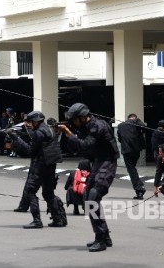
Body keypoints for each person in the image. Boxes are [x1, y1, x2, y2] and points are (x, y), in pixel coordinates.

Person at [57, 103, 120, 252]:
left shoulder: (97, 126)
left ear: (82, 117)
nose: (72, 123)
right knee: (88, 196)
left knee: (93, 196)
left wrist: (69, 133)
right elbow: (75, 149)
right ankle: (104, 236)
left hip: (108, 162)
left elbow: (85, 145)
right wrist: (68, 133)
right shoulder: (84, 126)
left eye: (74, 120)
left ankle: (101, 239)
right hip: (98, 162)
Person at [7, 111, 67, 229]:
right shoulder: (50, 129)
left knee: (30, 191)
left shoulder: (38, 133)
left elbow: (30, 150)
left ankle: (37, 220)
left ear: (35, 122)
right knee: (48, 193)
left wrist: (16, 138)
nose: (29, 124)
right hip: (51, 164)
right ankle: (58, 219)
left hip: (40, 165)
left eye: (30, 122)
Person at [117, 113, 146, 199]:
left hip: (127, 151)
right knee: (132, 168)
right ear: (134, 118)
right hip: (136, 151)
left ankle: (139, 188)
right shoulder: (137, 123)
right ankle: (139, 188)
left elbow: (119, 138)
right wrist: (137, 120)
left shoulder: (120, 125)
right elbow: (144, 128)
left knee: (132, 169)